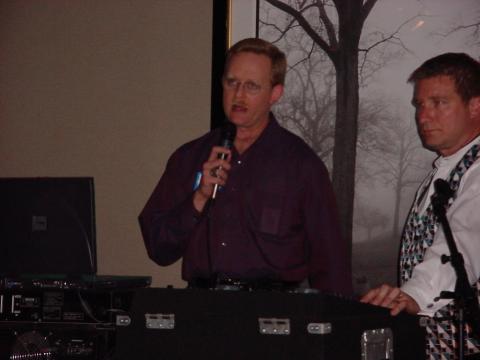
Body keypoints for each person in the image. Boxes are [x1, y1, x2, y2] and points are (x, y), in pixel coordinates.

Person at [139, 38, 351, 294]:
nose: (238, 95)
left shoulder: (302, 166)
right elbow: (158, 248)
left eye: (251, 86)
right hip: (202, 311)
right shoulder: (190, 157)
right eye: (232, 83)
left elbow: (330, 264)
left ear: (275, 94)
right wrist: (199, 198)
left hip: (273, 315)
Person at [361, 53, 480, 359]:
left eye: (439, 103)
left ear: (475, 105)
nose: (423, 116)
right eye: (420, 105)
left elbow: (463, 242)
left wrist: (414, 294)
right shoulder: (444, 171)